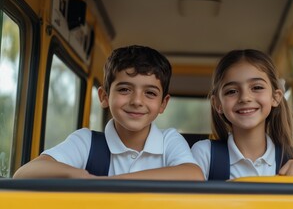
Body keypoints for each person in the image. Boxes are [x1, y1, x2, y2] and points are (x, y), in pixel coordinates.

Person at [14, 45, 204, 180]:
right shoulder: (87, 141)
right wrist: (80, 175)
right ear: (104, 96)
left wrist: (112, 182)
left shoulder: (169, 140)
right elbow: (24, 173)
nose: (137, 101)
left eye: (150, 93)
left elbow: (193, 175)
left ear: (163, 104)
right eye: (124, 90)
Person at [191, 49, 293, 180]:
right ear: (218, 104)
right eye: (231, 91)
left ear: (275, 97)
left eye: (257, 87)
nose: (245, 98)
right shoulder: (205, 154)